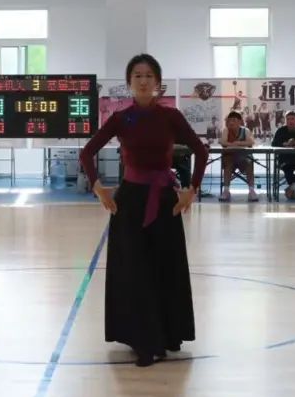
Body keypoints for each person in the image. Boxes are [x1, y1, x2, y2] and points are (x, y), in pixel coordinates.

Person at [79, 54, 209, 367]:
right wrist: (98, 187)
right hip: (130, 202)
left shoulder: (171, 116)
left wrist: (191, 190)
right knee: (135, 271)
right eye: (137, 75)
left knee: (163, 267)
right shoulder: (121, 118)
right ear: (129, 82)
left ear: (158, 82)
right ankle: (143, 341)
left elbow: (201, 150)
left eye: (149, 75)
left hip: (164, 201)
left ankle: (165, 333)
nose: (143, 80)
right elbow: (87, 152)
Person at [218, 111, 259, 202]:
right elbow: (223, 142)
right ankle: (226, 191)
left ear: (240, 121)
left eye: (234, 120)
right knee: (227, 163)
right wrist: (234, 144)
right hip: (230, 158)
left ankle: (251, 191)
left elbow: (251, 142)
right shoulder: (226, 130)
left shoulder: (245, 130)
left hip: (243, 158)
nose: (231, 122)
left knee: (249, 162)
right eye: (230, 120)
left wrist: (238, 143)